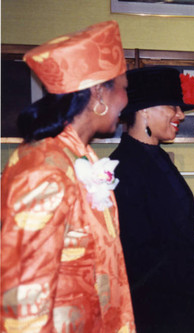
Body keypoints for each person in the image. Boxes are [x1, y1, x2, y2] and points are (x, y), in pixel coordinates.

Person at [1, 21, 136, 332]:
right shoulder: (43, 171)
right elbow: (24, 302)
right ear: (98, 93)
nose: (127, 101)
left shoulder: (77, 156)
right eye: (124, 88)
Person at [110, 66, 194, 332]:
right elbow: (138, 258)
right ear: (144, 110)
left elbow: (176, 228)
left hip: (179, 303)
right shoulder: (122, 169)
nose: (181, 114)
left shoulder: (156, 157)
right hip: (153, 312)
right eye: (173, 106)